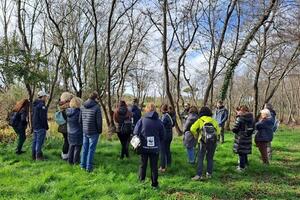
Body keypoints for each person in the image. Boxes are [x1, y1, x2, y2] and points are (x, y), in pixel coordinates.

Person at [133, 103, 165, 188]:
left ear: (146, 110)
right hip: (155, 148)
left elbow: (135, 132)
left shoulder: (142, 120)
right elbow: (163, 136)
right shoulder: (159, 122)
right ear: (155, 110)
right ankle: (154, 184)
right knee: (154, 166)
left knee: (142, 165)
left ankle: (141, 182)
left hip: (143, 147)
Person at [190, 106, 220, 180]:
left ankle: (198, 175)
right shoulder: (214, 121)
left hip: (202, 142)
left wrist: (196, 135)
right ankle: (209, 174)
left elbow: (192, 129)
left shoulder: (200, 120)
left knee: (200, 158)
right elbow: (218, 132)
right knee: (210, 158)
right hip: (213, 142)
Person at [80, 92, 102, 172]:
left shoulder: (82, 106)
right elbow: (99, 122)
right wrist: (99, 131)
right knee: (91, 149)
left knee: (85, 148)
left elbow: (80, 120)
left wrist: (83, 127)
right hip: (94, 132)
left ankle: (82, 165)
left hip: (85, 131)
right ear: (95, 98)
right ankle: (89, 167)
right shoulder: (97, 107)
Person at [232, 105, 254, 172]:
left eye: (239, 110)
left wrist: (233, 129)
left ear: (242, 111)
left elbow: (235, 128)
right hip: (248, 137)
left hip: (241, 137)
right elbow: (254, 128)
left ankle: (241, 168)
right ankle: (246, 164)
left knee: (241, 152)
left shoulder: (240, 118)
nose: (238, 112)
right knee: (245, 152)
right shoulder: (252, 118)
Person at [32, 91, 49, 161]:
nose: (46, 98)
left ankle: (33, 155)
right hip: (40, 126)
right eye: (45, 96)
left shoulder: (35, 105)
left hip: (35, 126)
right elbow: (43, 118)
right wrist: (46, 127)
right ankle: (38, 157)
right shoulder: (42, 106)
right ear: (43, 97)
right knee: (39, 142)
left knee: (35, 141)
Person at [66, 97, 82, 165]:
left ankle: (70, 161)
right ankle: (76, 162)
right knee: (77, 148)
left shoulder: (68, 111)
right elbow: (81, 122)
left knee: (71, 147)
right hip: (78, 132)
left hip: (70, 132)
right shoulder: (79, 112)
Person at [57, 92, 74, 160]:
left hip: (62, 127)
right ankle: (65, 155)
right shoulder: (67, 106)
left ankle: (65, 154)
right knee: (67, 141)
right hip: (67, 127)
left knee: (66, 140)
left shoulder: (60, 105)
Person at [159, 104, 174, 172]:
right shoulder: (169, 116)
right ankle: (169, 164)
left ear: (162, 109)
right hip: (170, 135)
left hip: (165, 136)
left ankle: (163, 167)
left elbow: (161, 126)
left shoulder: (165, 117)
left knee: (162, 151)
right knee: (167, 150)